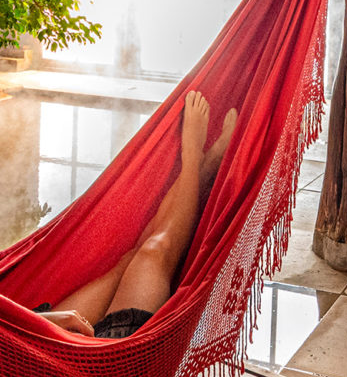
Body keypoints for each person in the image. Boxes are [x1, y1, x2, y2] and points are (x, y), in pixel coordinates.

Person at [36, 91, 237, 340]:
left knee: (129, 261)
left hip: (31, 337)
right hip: (86, 368)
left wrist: (48, 320)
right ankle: (194, 160)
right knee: (155, 249)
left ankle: (200, 173)